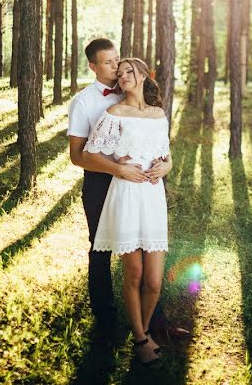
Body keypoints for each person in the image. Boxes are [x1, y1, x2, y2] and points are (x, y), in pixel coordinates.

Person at [67, 40, 187, 348]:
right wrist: (117, 169)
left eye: (118, 62)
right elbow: (79, 156)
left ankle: (153, 325)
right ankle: (107, 324)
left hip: (142, 188)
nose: (116, 69)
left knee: (148, 259)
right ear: (93, 66)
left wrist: (166, 164)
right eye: (109, 63)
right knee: (101, 251)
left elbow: (159, 147)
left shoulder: (134, 95)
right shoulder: (85, 103)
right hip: (101, 184)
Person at [84, 57, 171, 364]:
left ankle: (143, 331)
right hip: (126, 195)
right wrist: (118, 169)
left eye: (128, 72)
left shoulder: (159, 114)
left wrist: (165, 166)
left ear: (145, 75)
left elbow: (167, 156)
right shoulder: (114, 113)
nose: (122, 77)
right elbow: (90, 153)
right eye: (119, 74)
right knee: (133, 274)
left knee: (154, 281)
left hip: (152, 197)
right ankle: (140, 339)